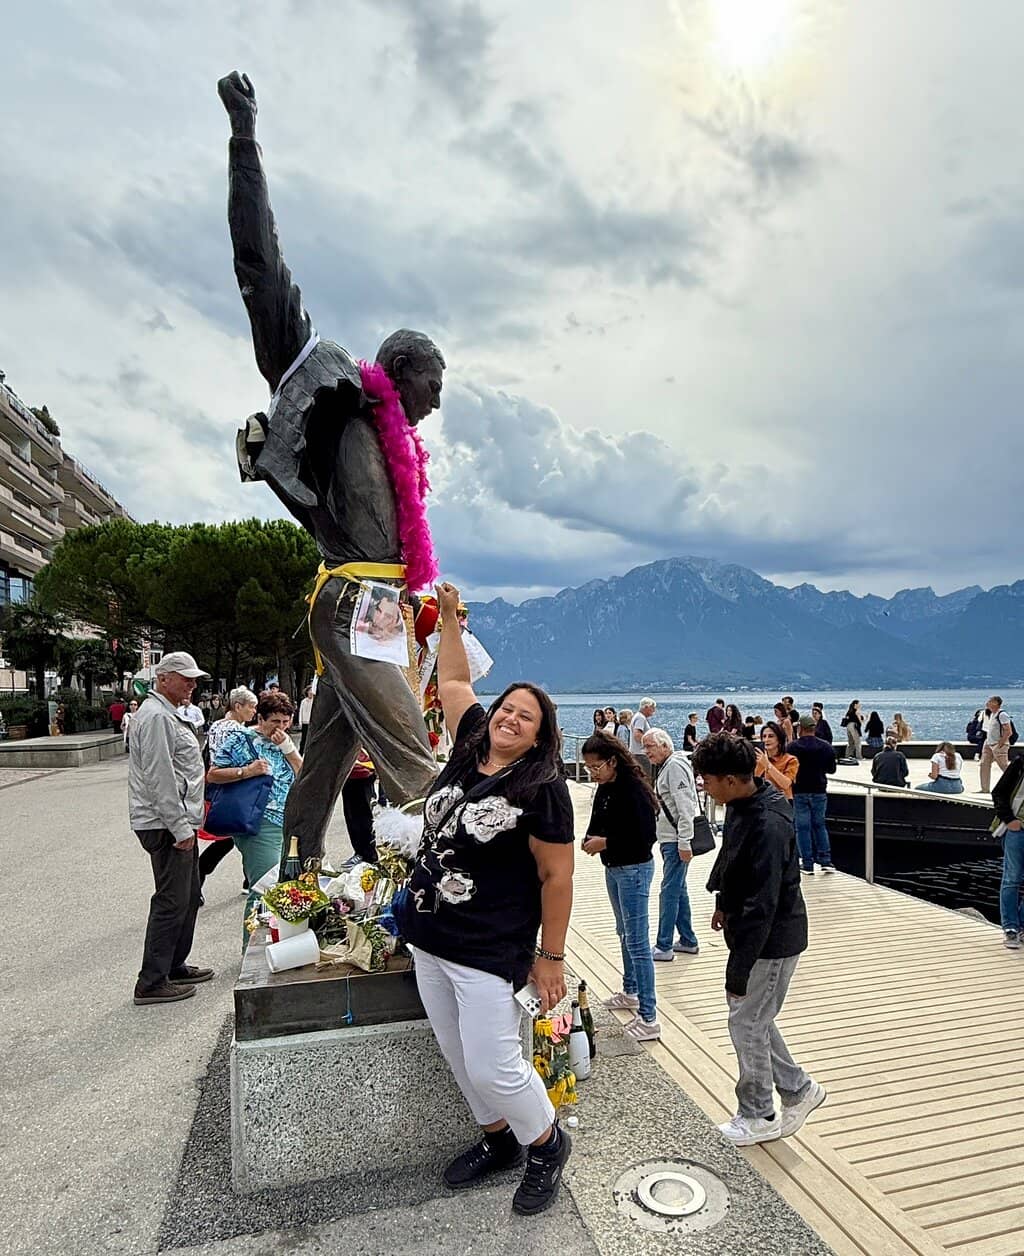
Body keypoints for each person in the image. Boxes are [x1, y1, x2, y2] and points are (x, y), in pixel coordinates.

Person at [219, 71, 441, 870]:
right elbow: (261, 269)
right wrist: (245, 137)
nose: (436, 405)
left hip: (373, 602)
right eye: (433, 387)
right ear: (401, 367)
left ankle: (298, 874)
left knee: (324, 761)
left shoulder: (396, 447)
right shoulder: (337, 393)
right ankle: (456, 894)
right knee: (412, 756)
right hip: (353, 598)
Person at [394, 582, 574, 1217]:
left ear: (539, 736)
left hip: (489, 947)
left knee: (498, 1067)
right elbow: (451, 686)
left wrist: (550, 957)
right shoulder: (472, 743)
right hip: (429, 936)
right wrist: (446, 623)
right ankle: (499, 1141)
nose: (509, 717)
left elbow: (557, 878)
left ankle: (548, 1145)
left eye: (526, 716)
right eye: (507, 709)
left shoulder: (543, 787)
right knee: (456, 1052)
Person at [693, 734, 824, 1147]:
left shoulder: (770, 822)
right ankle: (800, 1089)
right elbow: (731, 856)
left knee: (745, 1020)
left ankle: (760, 1113)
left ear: (731, 780)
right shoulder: (741, 803)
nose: (704, 786)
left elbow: (763, 904)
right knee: (756, 1018)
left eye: (708, 780)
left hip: (773, 938)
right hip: (753, 929)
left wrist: (738, 969)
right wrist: (721, 899)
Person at [127, 652, 213, 1006]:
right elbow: (160, 778)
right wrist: (180, 828)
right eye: (185, 678)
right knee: (171, 900)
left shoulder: (166, 714)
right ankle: (151, 981)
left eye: (194, 679)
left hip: (173, 821)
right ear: (163, 679)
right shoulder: (156, 717)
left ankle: (173, 965)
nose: (192, 685)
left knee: (188, 896)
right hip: (165, 824)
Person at [582, 734, 660, 1040]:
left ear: (613, 761)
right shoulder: (606, 787)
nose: (593, 772)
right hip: (613, 867)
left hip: (634, 868)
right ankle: (630, 990)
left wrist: (607, 842)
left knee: (638, 941)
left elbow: (645, 837)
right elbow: (597, 818)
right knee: (623, 932)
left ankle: (649, 1017)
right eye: (588, 768)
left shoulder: (634, 791)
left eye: (596, 766)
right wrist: (590, 838)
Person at [207, 690, 303, 942]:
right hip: (258, 821)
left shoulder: (285, 743)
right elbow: (213, 774)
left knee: (284, 886)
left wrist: (289, 748)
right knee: (263, 887)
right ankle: (251, 951)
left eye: (285, 722)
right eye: (275, 722)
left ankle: (278, 941)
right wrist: (245, 771)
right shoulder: (241, 738)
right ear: (260, 718)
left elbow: (303, 774)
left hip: (288, 820)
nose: (280, 728)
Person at [642, 728, 700, 962]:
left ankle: (664, 945)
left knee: (669, 891)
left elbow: (685, 805)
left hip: (676, 840)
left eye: (650, 747)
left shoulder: (674, 766)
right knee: (678, 889)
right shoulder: (669, 765)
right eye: (645, 747)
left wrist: (685, 841)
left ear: (665, 746)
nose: (646, 752)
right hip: (670, 839)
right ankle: (688, 939)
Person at [199, 686, 260, 894]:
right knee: (236, 836)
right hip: (236, 783)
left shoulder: (216, 725)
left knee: (238, 835)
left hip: (217, 786)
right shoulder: (238, 731)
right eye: (251, 707)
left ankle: (248, 879)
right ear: (238, 706)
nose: (254, 712)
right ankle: (250, 880)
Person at [788, 715, 837, 874]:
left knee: (802, 827)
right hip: (819, 789)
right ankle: (826, 861)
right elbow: (831, 769)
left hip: (800, 790)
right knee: (819, 825)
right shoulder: (826, 747)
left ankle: (807, 863)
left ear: (800, 728)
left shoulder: (792, 747)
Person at [991, 756, 1024, 948]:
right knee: (1012, 878)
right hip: (1017, 830)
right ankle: (1011, 928)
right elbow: (999, 792)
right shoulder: (1020, 764)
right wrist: (1009, 819)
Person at [341, 749, 379, 864]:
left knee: (364, 816)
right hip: (347, 770)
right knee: (351, 816)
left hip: (363, 769)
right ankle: (360, 852)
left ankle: (370, 855)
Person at [754, 722, 799, 801]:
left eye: (771, 736)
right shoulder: (758, 759)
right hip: (762, 802)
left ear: (779, 739)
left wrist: (767, 765)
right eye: (764, 736)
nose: (766, 740)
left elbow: (786, 784)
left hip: (782, 803)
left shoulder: (791, 760)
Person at [980, 695, 1013, 793]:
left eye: (990, 701)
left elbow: (1008, 731)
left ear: (995, 703)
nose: (987, 703)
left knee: (1004, 767)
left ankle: (1017, 786)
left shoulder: (1002, 714)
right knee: (984, 765)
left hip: (998, 745)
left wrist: (1000, 744)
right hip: (989, 744)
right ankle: (985, 789)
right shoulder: (992, 714)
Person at [630, 698, 657, 780]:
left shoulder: (637, 716)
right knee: (646, 778)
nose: (654, 710)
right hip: (641, 754)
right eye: (652, 707)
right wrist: (650, 744)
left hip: (636, 753)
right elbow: (637, 735)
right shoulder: (640, 718)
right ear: (646, 707)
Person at [297, 684, 315, 753]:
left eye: (311, 691)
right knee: (303, 739)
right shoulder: (303, 701)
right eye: (309, 691)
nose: (310, 692)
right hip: (305, 722)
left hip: (312, 722)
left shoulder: (314, 701)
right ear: (307, 692)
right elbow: (301, 711)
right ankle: (301, 752)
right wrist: (300, 722)